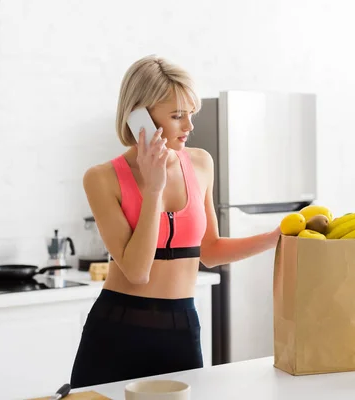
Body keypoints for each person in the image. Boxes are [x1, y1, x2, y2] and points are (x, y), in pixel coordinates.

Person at [69, 55, 281, 388]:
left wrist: (275, 238)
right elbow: (137, 271)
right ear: (141, 117)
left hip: (181, 329)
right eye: (177, 116)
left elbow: (208, 250)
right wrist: (154, 189)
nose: (189, 126)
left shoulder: (200, 163)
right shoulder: (101, 178)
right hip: (115, 332)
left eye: (190, 114)